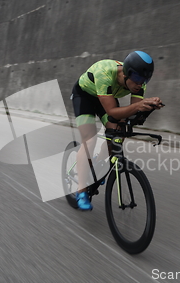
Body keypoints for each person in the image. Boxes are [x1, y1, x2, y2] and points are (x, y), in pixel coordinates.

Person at [70, 50, 163, 210]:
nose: (140, 84)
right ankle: (81, 190)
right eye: (138, 79)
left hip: (105, 97)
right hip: (84, 96)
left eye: (145, 79)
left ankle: (98, 166)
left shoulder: (139, 84)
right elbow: (112, 112)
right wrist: (138, 106)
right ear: (127, 73)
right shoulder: (105, 72)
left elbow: (134, 113)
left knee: (119, 133)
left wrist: (148, 107)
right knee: (90, 141)